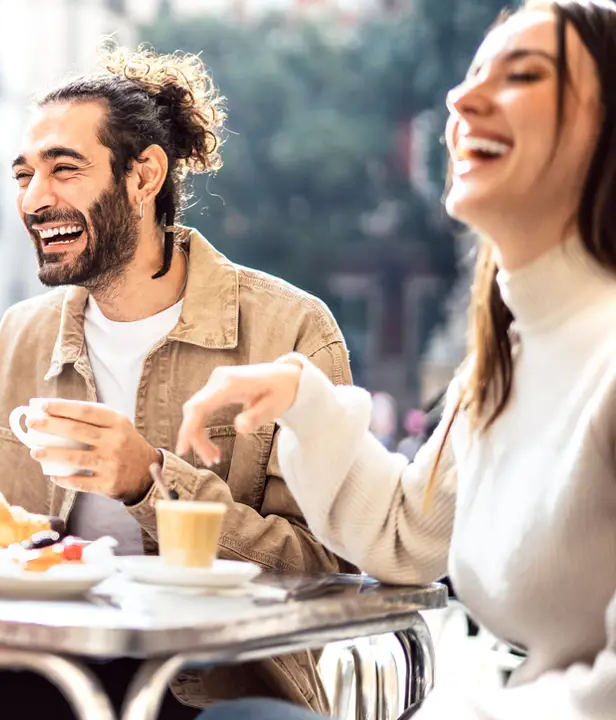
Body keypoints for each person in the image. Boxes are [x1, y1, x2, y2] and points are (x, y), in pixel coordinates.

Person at [0, 46, 353, 716]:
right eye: (24, 176)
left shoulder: (289, 332)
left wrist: (151, 481)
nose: (34, 199)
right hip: (31, 671)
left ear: (144, 176)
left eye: (64, 169)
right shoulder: (20, 337)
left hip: (209, 685)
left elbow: (327, 567)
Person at [178, 2, 616, 718]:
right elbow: (408, 536)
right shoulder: (504, 362)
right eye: (471, 75)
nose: (460, 99)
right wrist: (300, 399)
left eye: (524, 74)